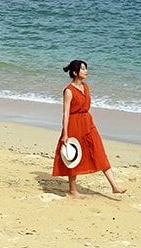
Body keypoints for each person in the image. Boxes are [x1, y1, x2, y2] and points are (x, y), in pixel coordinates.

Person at [52, 59, 126, 198]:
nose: (86, 71)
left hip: (88, 122)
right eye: (83, 69)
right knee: (73, 157)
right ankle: (73, 190)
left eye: (86, 68)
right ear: (75, 72)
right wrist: (65, 134)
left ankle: (114, 186)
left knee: (99, 151)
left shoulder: (86, 87)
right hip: (74, 124)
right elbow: (66, 113)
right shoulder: (69, 90)